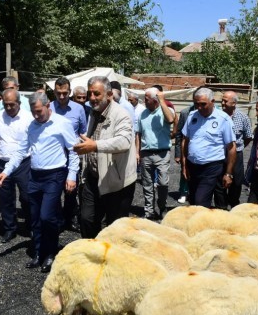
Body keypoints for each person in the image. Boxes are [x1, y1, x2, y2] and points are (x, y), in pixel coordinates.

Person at [0, 92, 79, 273]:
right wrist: (6, 171)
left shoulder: (62, 124)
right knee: (34, 218)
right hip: (34, 176)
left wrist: (72, 176)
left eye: (39, 111)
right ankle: (39, 252)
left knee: (47, 216)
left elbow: (73, 150)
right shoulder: (32, 126)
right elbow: (21, 151)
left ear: (48, 106)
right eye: (33, 112)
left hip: (55, 176)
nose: (36, 115)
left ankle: (51, 252)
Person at [73, 76, 136, 239]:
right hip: (93, 178)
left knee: (115, 228)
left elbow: (124, 142)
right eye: (90, 93)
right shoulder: (93, 113)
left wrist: (95, 145)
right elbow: (91, 138)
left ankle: (113, 260)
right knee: (86, 219)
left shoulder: (122, 114)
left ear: (109, 95)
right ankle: (92, 255)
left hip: (117, 182)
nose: (92, 98)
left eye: (96, 94)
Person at [0, 88, 34, 244]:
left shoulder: (29, 117)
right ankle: (9, 228)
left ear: (19, 103)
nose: (8, 108)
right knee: (5, 197)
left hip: (23, 163)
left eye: (11, 105)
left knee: (27, 196)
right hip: (1, 161)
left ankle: (31, 225)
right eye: (5, 104)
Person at [180, 88, 236, 208]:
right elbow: (185, 140)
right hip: (192, 166)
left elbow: (231, 147)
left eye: (203, 104)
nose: (199, 107)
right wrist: (184, 166)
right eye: (196, 104)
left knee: (201, 202)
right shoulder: (192, 116)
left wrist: (228, 173)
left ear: (213, 101)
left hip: (211, 168)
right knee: (193, 201)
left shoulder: (223, 119)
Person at [52, 77, 87, 232]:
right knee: (55, 189)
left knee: (72, 189)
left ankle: (70, 217)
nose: (61, 97)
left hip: (72, 154)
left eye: (65, 93)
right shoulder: (49, 108)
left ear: (70, 92)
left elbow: (83, 131)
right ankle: (58, 219)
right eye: (58, 93)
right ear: (54, 91)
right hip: (54, 155)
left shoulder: (78, 109)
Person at [136, 87, 175, 219]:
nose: (144, 101)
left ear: (155, 100)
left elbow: (170, 120)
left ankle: (162, 206)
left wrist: (162, 100)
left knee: (163, 183)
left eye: (146, 99)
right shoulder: (143, 114)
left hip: (162, 153)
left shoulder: (165, 110)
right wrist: (137, 152)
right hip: (146, 153)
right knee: (147, 184)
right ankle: (149, 212)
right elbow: (138, 134)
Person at [213, 91, 253, 209]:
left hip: (236, 155)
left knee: (236, 182)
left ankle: (234, 205)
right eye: (222, 100)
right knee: (219, 183)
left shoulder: (243, 117)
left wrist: (237, 149)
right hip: (219, 154)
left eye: (226, 101)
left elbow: (248, 136)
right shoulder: (216, 115)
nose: (223, 103)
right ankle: (221, 207)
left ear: (234, 103)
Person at [173, 104, 193, 204]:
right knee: (184, 171)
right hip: (186, 148)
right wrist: (177, 153)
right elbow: (179, 134)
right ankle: (184, 192)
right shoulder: (185, 112)